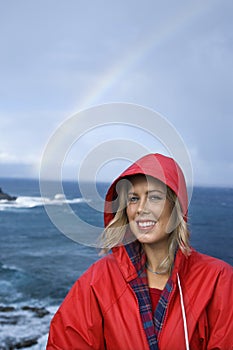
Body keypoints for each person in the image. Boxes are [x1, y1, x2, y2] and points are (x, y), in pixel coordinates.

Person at [46, 153, 233, 350]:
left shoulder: (218, 280)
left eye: (154, 197)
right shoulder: (98, 279)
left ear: (176, 206)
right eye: (133, 198)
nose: (141, 209)